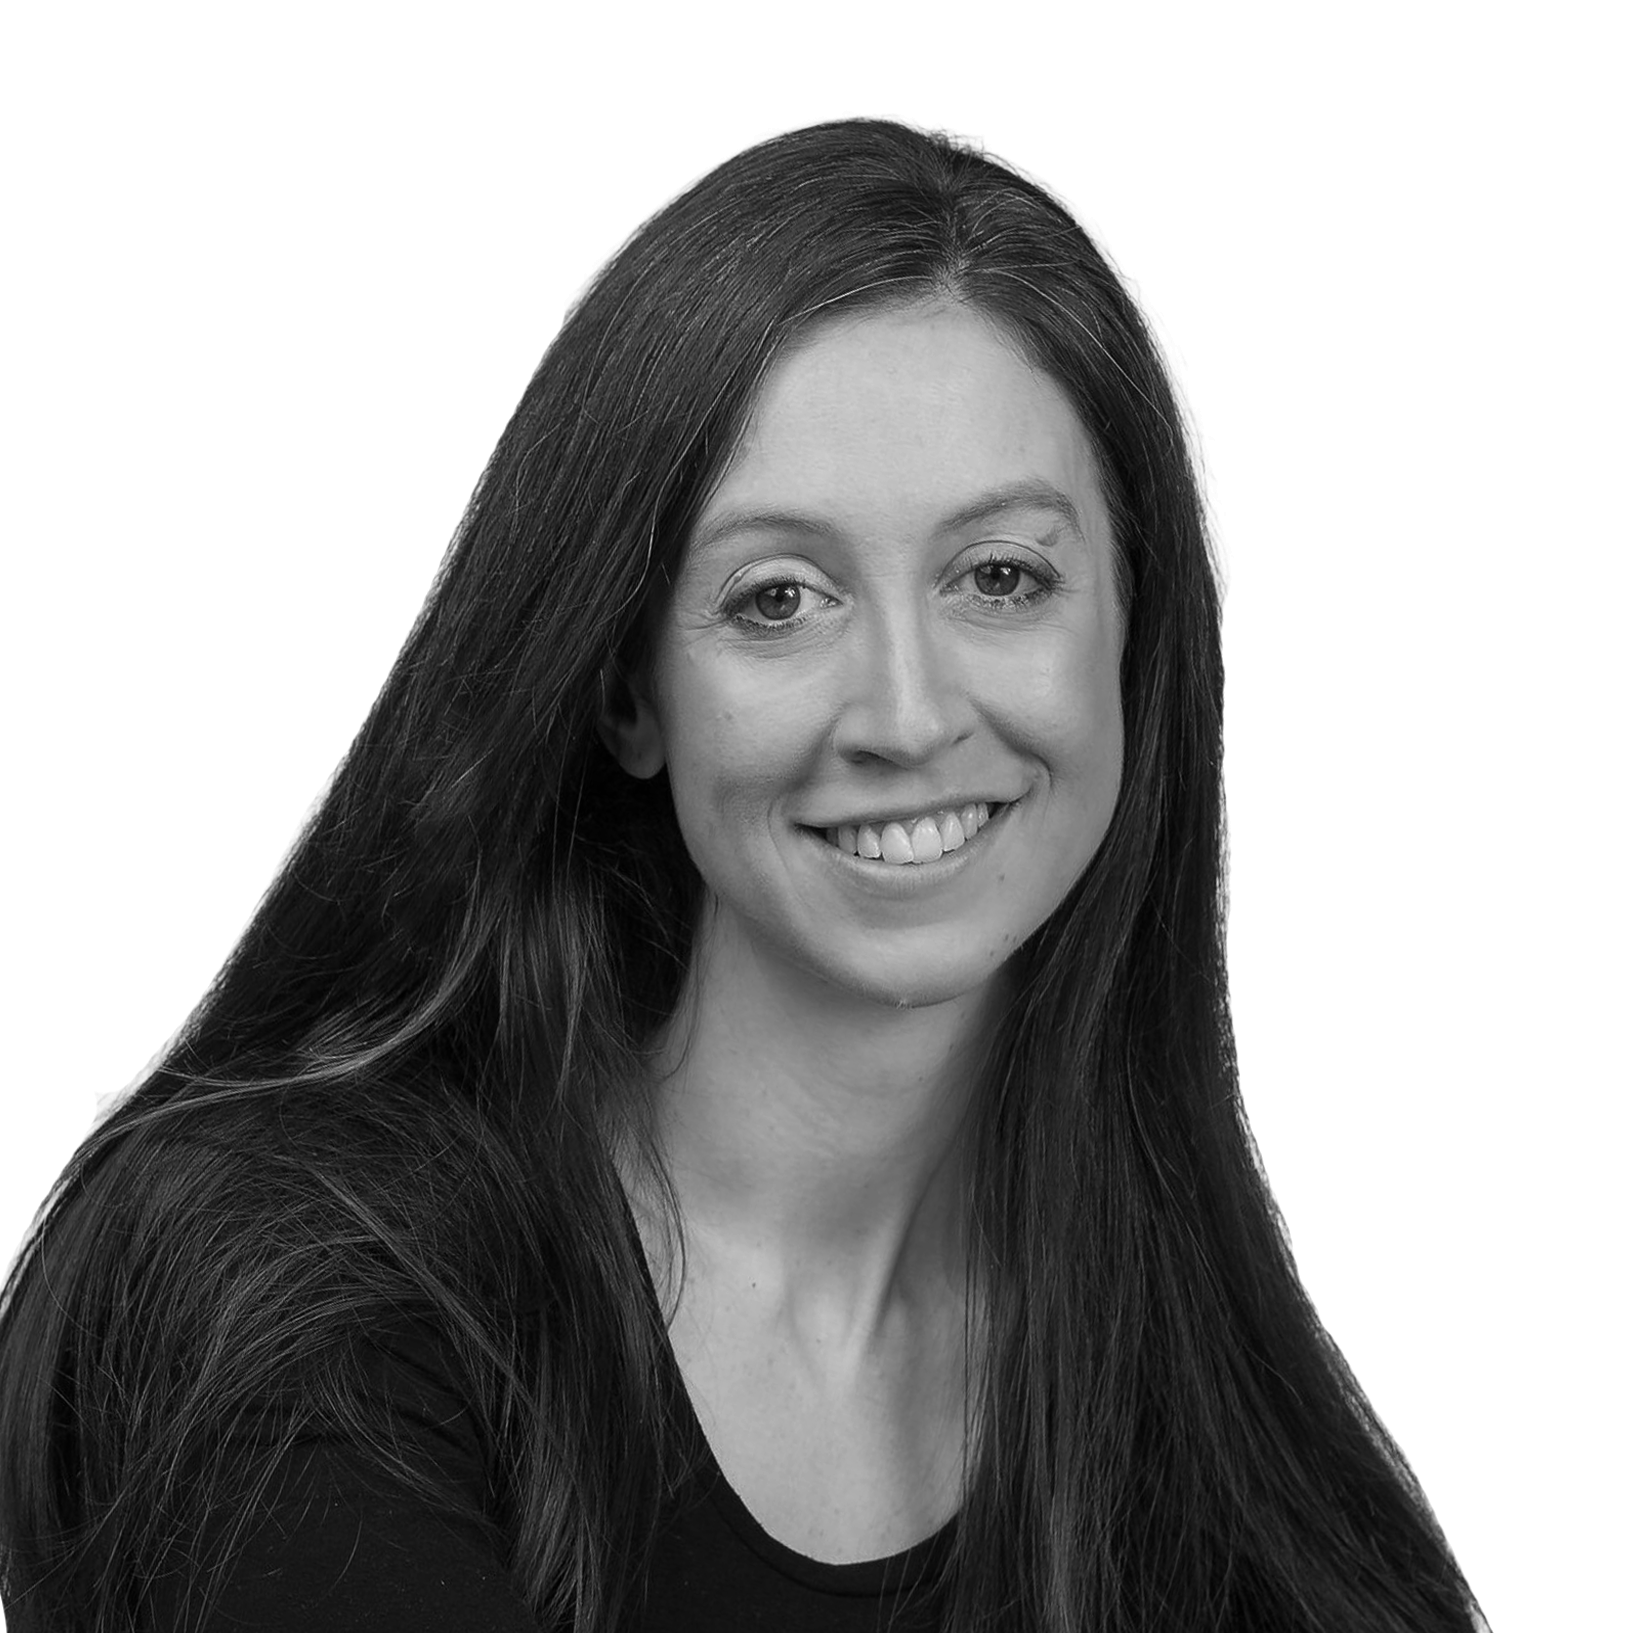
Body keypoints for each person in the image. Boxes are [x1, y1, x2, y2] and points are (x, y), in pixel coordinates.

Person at [0, 119, 1483, 1632]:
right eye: (778, 599)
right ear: (624, 692)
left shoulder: (1237, 1472)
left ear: (1133, 643)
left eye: (1003, 577)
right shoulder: (286, 1275)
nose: (907, 713)